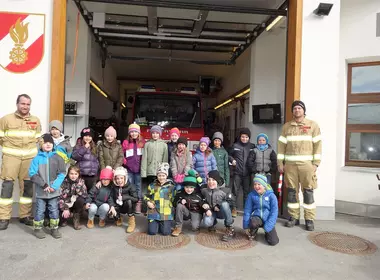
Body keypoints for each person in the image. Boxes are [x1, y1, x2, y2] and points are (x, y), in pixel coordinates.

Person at [277, 100, 322, 231]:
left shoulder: (313, 125)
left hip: (307, 166)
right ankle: (294, 218)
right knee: (291, 192)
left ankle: (309, 220)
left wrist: (316, 164)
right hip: (290, 166)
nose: (297, 110)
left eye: (299, 108)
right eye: (295, 108)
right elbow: (281, 146)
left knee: (308, 192)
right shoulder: (286, 127)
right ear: (292, 111)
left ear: (304, 110)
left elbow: (318, 146)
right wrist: (280, 163)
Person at [0, 94, 42, 230]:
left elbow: (38, 139)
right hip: (11, 158)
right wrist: (9, 148)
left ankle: (25, 216)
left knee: (28, 187)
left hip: (29, 159)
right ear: (17, 104)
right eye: (23, 104)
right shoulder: (6, 119)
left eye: (28, 104)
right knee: (7, 187)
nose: (25, 106)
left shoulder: (35, 120)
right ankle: (4, 218)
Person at [29, 134, 66, 239]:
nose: (48, 144)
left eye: (50, 142)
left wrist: (54, 186)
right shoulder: (36, 159)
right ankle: (38, 228)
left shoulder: (58, 158)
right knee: (40, 210)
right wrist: (43, 185)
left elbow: (62, 173)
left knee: (54, 209)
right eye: (45, 142)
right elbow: (32, 174)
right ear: (41, 145)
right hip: (41, 191)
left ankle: (54, 228)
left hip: (53, 191)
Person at [243, 174, 279, 246]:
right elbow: (247, 210)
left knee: (273, 242)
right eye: (255, 184)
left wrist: (269, 226)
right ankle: (253, 231)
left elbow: (274, 212)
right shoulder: (251, 195)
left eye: (259, 184)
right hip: (257, 217)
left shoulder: (271, 196)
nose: (256, 186)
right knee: (253, 223)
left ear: (264, 185)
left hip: (267, 218)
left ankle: (266, 233)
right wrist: (246, 226)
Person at [201, 170, 235, 242]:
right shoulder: (204, 189)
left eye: (213, 180)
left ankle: (229, 227)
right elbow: (200, 199)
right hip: (211, 211)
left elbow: (232, 202)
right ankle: (213, 223)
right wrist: (205, 207)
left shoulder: (226, 190)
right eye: (209, 180)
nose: (210, 182)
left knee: (225, 204)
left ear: (217, 180)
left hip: (222, 212)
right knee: (207, 222)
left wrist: (219, 205)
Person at [229, 127, 255, 214]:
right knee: (235, 192)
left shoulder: (252, 147)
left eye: (246, 137)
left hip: (247, 174)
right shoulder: (235, 146)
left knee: (247, 193)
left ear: (249, 138)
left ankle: (246, 209)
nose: (244, 139)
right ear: (240, 137)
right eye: (243, 137)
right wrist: (232, 160)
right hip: (237, 173)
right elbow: (229, 155)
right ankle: (234, 208)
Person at [144, 163, 175, 236]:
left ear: (166, 176)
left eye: (163, 175)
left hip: (166, 212)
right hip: (154, 210)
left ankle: (164, 223)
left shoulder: (171, 186)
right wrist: (148, 202)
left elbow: (174, 198)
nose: (161, 177)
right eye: (159, 175)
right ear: (157, 176)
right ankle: (155, 222)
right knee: (152, 232)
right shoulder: (152, 185)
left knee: (165, 232)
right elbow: (146, 196)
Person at [172, 170, 204, 236]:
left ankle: (196, 222)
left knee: (194, 227)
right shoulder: (180, 192)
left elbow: (204, 203)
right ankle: (178, 227)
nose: (189, 189)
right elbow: (174, 203)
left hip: (196, 212)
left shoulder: (199, 193)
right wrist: (180, 201)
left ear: (194, 187)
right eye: (187, 187)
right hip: (186, 211)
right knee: (179, 206)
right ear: (184, 187)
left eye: (191, 187)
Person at [122, 123, 145, 214]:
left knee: (138, 186)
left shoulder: (142, 142)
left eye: (136, 132)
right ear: (129, 133)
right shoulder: (126, 142)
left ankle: (138, 202)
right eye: (132, 132)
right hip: (129, 168)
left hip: (139, 169)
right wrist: (125, 162)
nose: (134, 134)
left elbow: (145, 155)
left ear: (138, 133)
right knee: (130, 185)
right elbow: (122, 153)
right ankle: (130, 201)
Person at [58, 165, 88, 230]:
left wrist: (78, 192)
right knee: (60, 221)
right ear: (68, 173)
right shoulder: (64, 182)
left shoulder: (81, 182)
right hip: (65, 203)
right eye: (71, 174)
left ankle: (76, 217)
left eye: (75, 174)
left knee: (81, 200)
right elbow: (59, 197)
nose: (73, 176)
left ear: (78, 174)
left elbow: (85, 194)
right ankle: (64, 219)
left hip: (75, 203)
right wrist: (65, 208)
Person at [111, 167, 138, 233]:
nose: (119, 180)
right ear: (115, 179)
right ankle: (118, 217)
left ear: (125, 178)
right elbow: (111, 197)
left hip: (127, 206)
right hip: (118, 205)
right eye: (117, 178)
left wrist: (125, 197)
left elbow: (136, 199)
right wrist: (111, 206)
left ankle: (131, 222)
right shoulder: (114, 186)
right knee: (110, 211)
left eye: (121, 178)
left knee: (129, 201)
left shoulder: (131, 186)